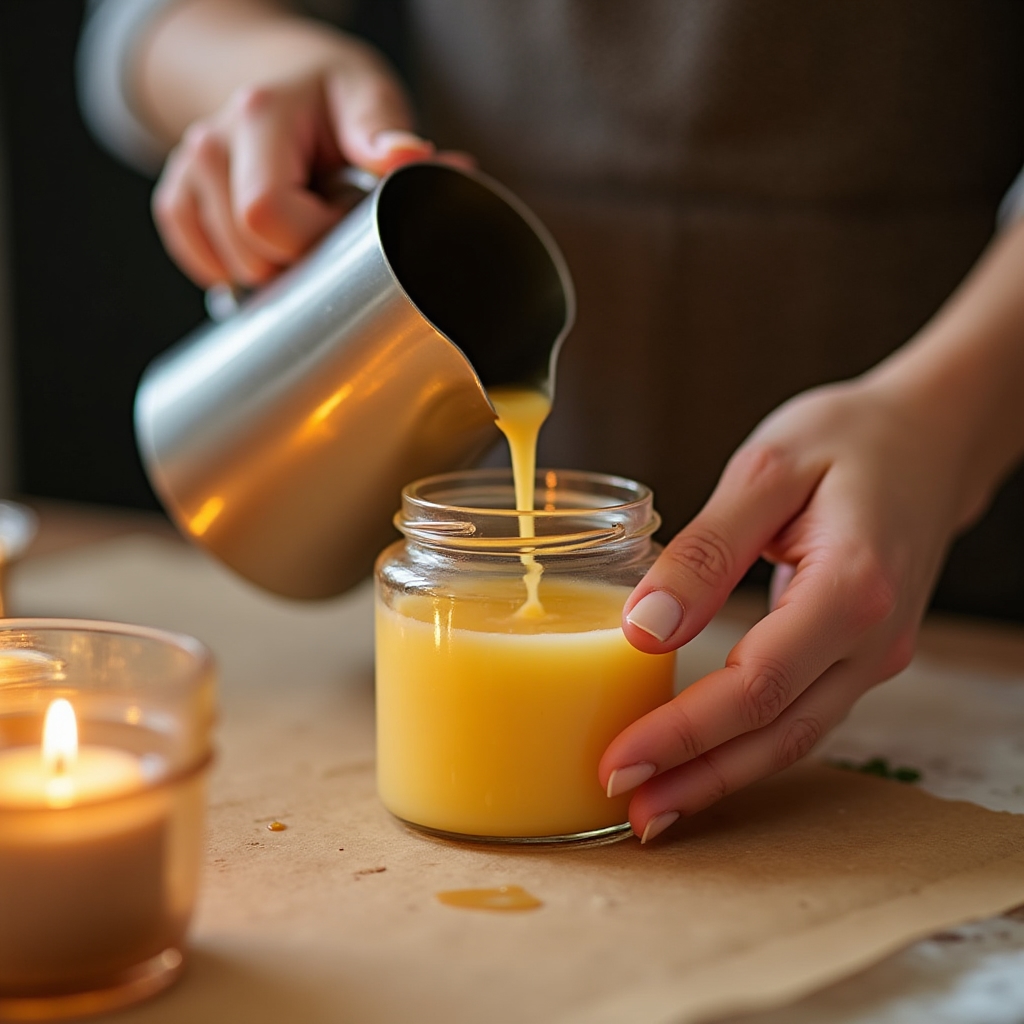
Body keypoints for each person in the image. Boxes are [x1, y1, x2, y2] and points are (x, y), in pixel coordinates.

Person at [79, 0, 1024, 843]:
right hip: (466, 366)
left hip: (930, 560)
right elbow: (142, 25)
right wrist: (261, 69)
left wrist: (946, 416)